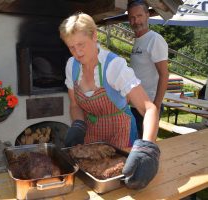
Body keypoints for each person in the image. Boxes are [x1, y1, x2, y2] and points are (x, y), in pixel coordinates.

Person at [59, 12, 160, 190]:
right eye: (71, 47)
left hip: (120, 131)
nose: (77, 52)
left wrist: (148, 149)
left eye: (81, 44)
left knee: (121, 183)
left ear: (94, 36)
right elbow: (75, 105)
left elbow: (149, 109)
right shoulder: (71, 66)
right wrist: (78, 124)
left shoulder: (114, 67)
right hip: (92, 133)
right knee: (91, 182)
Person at [128, 0, 169, 139]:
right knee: (136, 146)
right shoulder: (139, 40)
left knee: (145, 148)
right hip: (135, 104)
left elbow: (164, 75)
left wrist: (156, 107)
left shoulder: (154, 39)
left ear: (147, 15)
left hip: (148, 104)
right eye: (132, 18)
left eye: (139, 16)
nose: (136, 21)